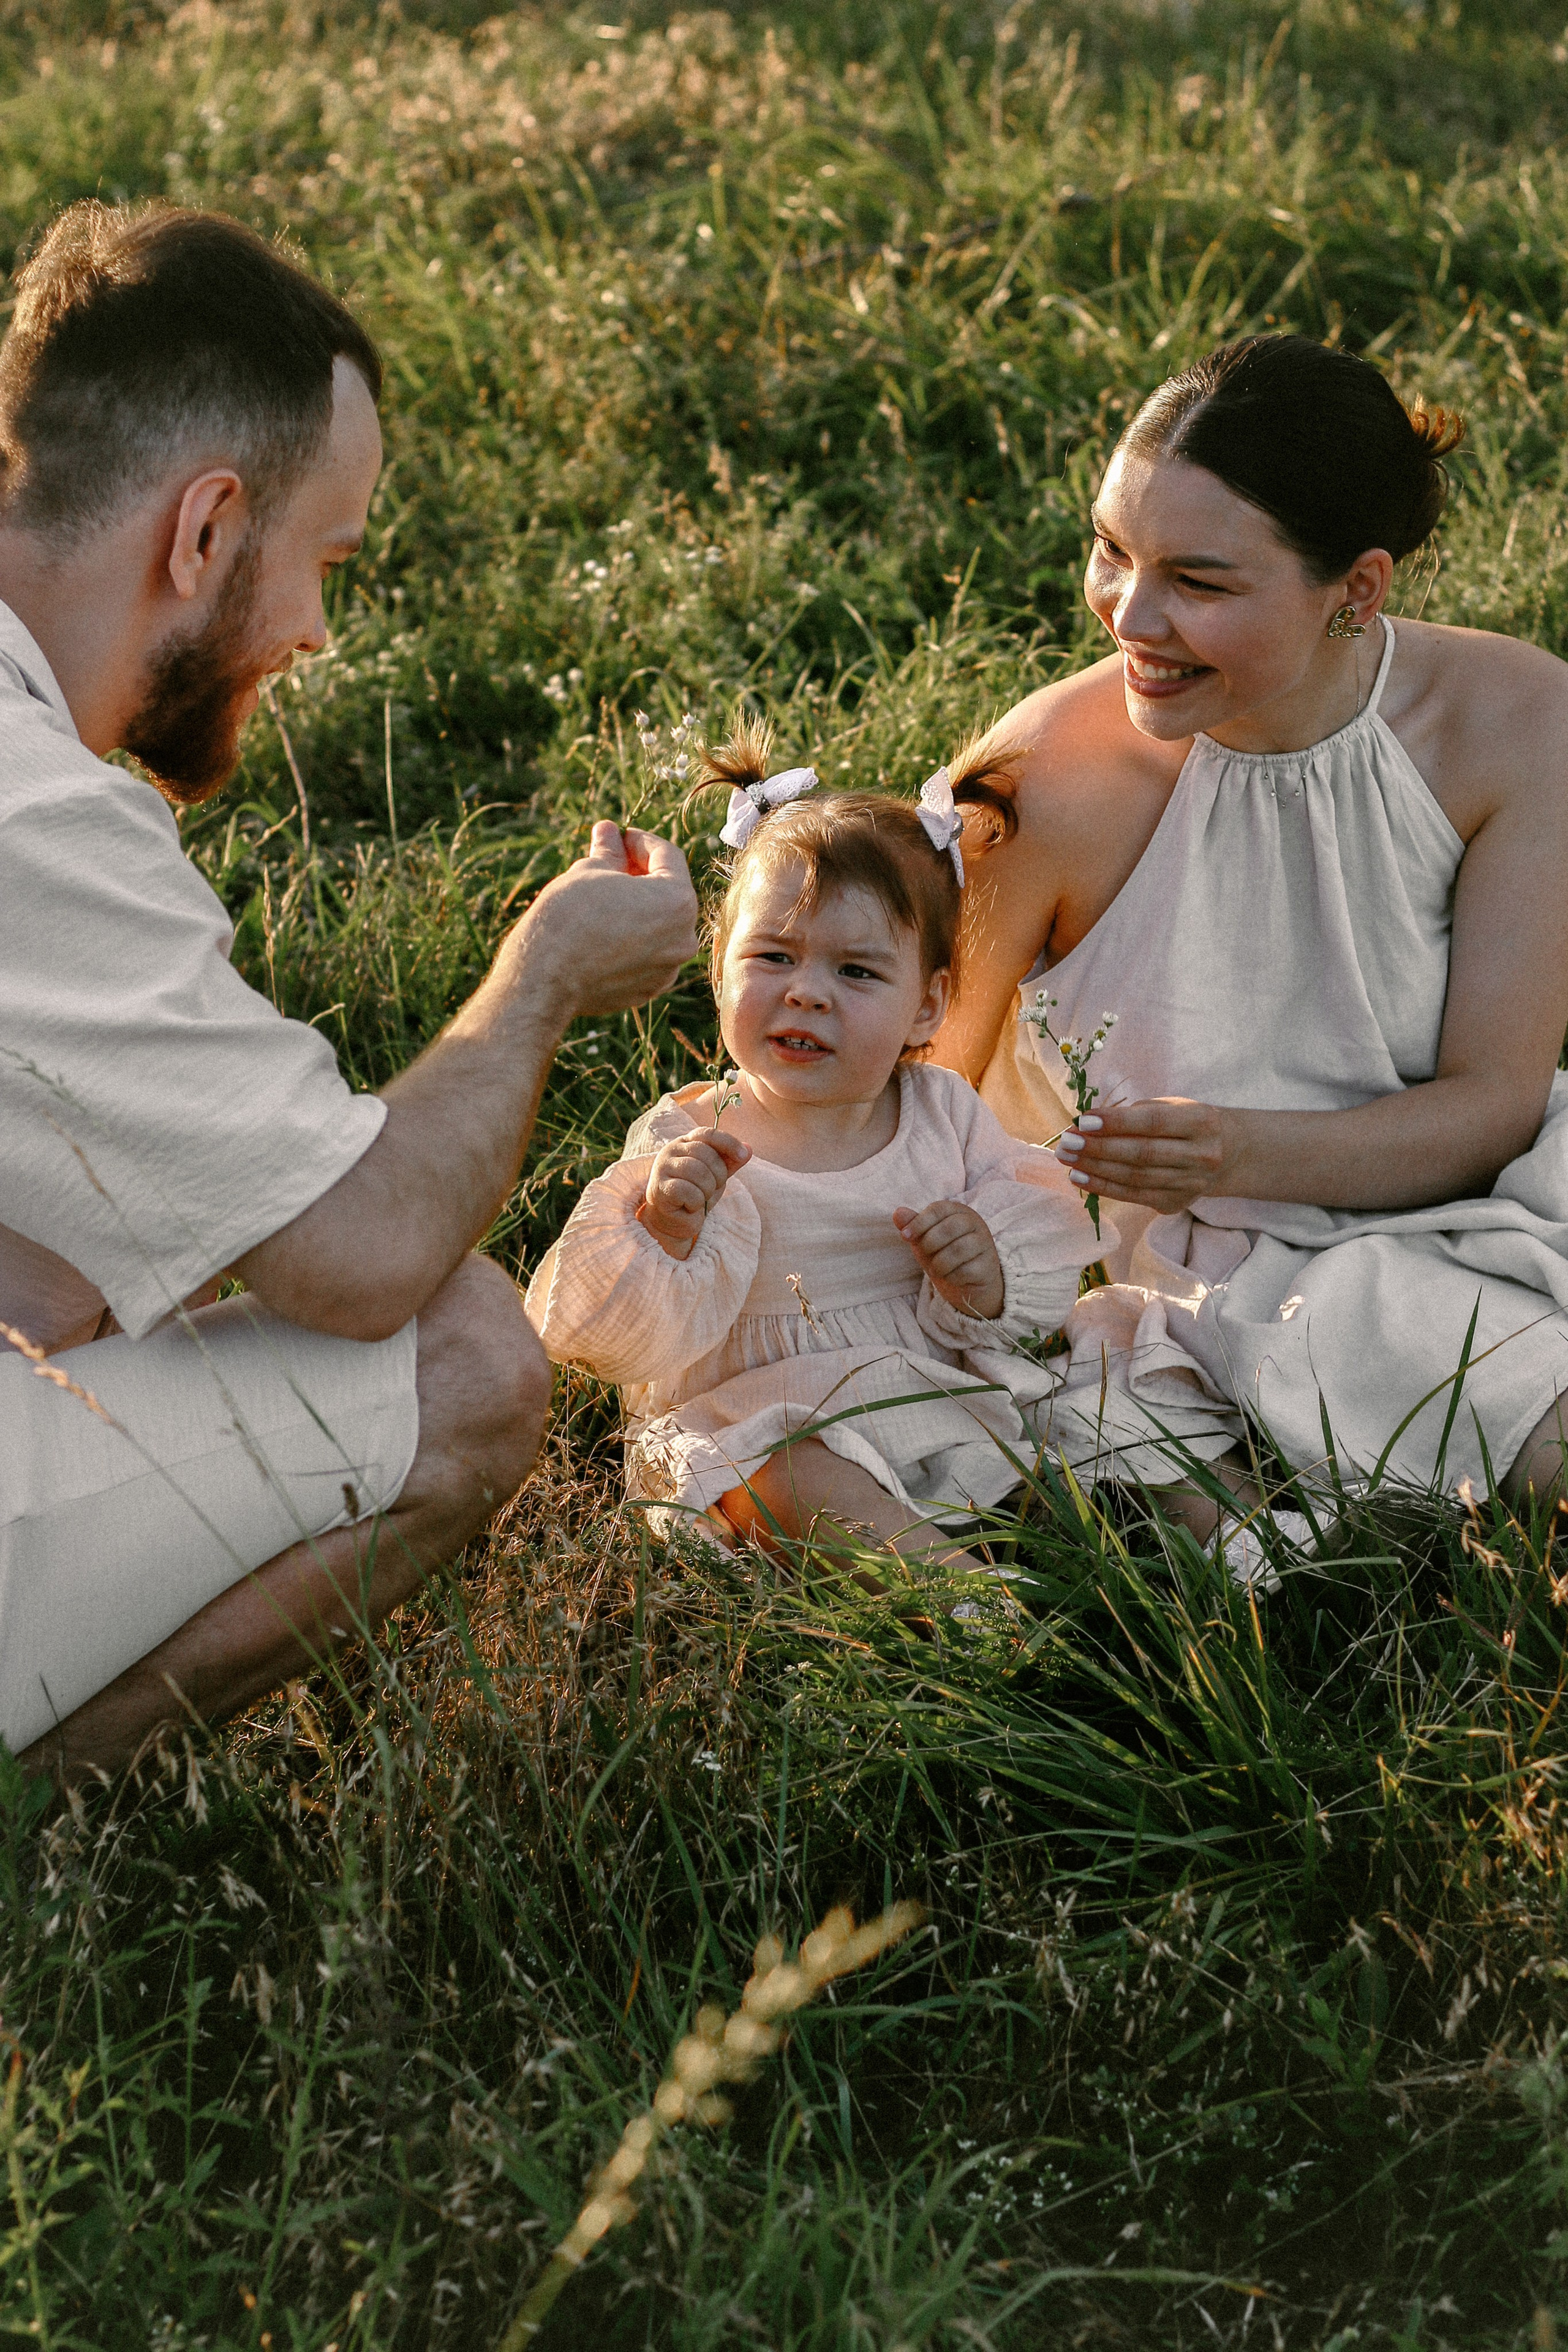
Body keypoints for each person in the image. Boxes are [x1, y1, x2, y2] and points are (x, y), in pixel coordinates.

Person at [0, 202, 698, 1778]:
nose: (316, 632)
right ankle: (31, 1817)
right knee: (466, 1359)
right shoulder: (32, 817)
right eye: (323, 563)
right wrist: (541, 980)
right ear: (203, 530)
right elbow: (359, 1260)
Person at [935, 333, 1568, 1567]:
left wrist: (1236, 1143)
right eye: (1111, 550)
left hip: (1488, 1177)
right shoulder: (1040, 783)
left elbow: (1494, 1103)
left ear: (1357, 589)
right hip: (1236, 1261)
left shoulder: (1519, 721)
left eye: (1198, 581)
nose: (1128, 614)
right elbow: (907, 1097)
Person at [526, 726, 1102, 1575]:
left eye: (856, 972)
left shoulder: (944, 1112)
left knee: (1099, 1396)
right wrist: (667, 1228)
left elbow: (1033, 1259)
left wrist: (983, 1275)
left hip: (929, 1397)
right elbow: (609, 1337)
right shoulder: (689, 1135)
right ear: (720, 969)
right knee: (786, 1477)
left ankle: (1198, 1538)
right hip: (753, 1419)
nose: (806, 992)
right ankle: (956, 1594)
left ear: (926, 1006)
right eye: (773, 956)